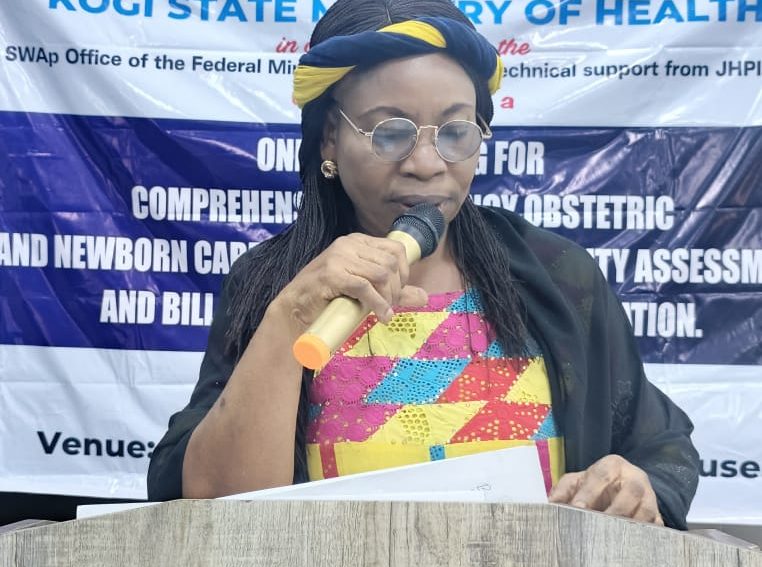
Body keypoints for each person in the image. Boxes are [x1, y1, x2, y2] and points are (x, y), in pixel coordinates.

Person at [147, 0, 699, 529]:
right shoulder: (274, 284)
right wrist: (289, 318)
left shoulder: (556, 275)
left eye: (456, 133)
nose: (427, 164)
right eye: (390, 134)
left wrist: (635, 486)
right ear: (330, 140)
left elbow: (658, 448)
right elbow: (214, 503)